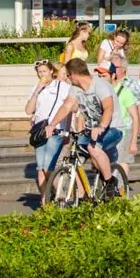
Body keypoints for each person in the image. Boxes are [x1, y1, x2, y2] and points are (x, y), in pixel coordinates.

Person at [52, 57, 121, 189]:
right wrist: (52, 125)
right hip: (91, 130)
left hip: (112, 128)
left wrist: (101, 126)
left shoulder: (100, 85)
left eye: (67, 75)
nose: (67, 78)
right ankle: (82, 194)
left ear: (73, 74)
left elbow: (108, 108)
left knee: (92, 148)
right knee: (72, 157)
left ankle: (109, 182)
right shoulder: (75, 89)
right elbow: (67, 106)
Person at [26, 59, 72, 196]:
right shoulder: (36, 88)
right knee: (40, 170)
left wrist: (67, 131)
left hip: (56, 130)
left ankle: (63, 195)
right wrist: (37, 91)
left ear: (52, 71)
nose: (42, 74)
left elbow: (68, 110)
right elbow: (29, 110)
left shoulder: (62, 87)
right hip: (40, 132)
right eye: (39, 72)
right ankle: (45, 204)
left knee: (47, 168)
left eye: (44, 71)